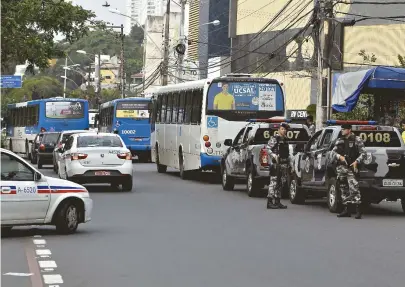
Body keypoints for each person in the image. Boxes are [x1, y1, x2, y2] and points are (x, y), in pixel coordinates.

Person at [330, 123, 367, 219]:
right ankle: (347, 209)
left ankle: (358, 210)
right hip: (341, 168)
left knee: (354, 188)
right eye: (342, 129)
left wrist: (356, 162)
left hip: (351, 167)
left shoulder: (357, 140)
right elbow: (332, 152)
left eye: (344, 129)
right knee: (343, 188)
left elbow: (363, 153)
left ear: (349, 130)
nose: (342, 131)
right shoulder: (339, 140)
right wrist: (340, 157)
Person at [266, 122, 290, 209]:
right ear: (279, 130)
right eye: (282, 129)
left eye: (285, 129)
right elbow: (268, 148)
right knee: (273, 183)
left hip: (284, 164)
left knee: (280, 183)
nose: (284, 131)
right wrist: (274, 155)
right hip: (276, 164)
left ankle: (277, 201)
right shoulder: (274, 139)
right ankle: (269, 201)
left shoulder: (285, 139)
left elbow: (287, 152)